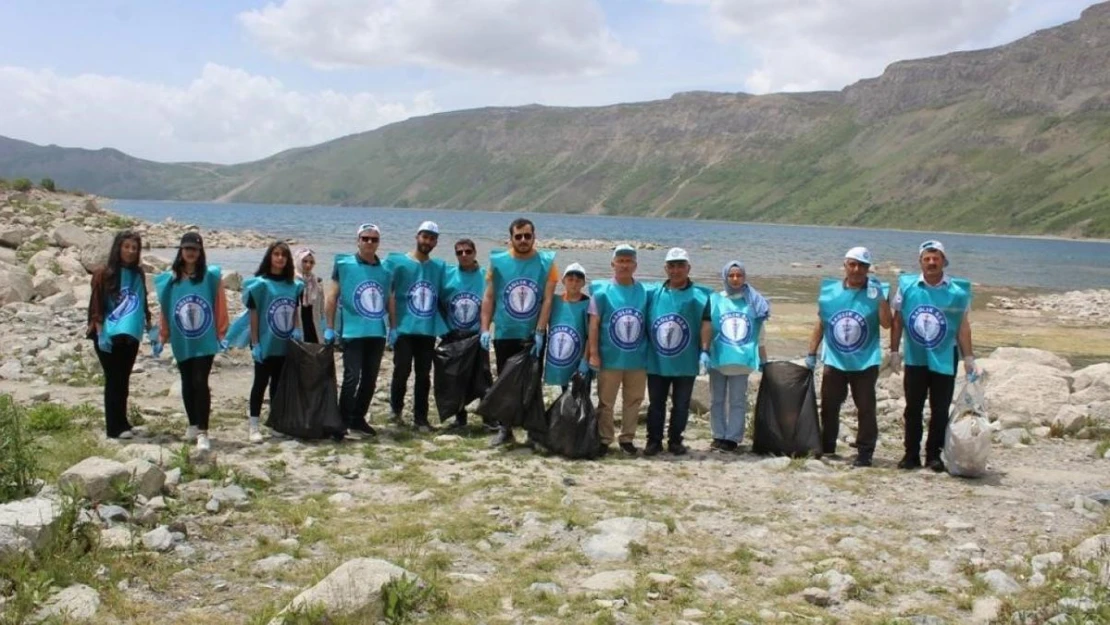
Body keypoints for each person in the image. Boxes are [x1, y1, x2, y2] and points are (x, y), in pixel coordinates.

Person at [890, 240, 981, 472]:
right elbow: (898, 319)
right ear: (920, 261)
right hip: (915, 356)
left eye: (936, 258)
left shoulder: (957, 292)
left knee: (940, 408)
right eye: (927, 259)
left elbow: (962, 326)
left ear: (943, 261)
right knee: (913, 407)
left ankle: (933, 455)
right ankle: (910, 454)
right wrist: (893, 351)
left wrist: (968, 357)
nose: (931, 263)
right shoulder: (908, 286)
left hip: (944, 356)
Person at [806, 247, 891, 467]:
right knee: (829, 405)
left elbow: (887, 323)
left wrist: (881, 298)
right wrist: (811, 352)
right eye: (852, 264)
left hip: (865, 361)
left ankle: (865, 451)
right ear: (845, 266)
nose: (856, 269)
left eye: (862, 265)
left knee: (865, 407)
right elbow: (821, 323)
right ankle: (827, 446)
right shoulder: (830, 292)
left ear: (868, 269)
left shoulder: (875, 291)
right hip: (835, 359)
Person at [479, 218, 558, 447]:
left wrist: (541, 331)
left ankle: (534, 433)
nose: (523, 240)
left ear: (534, 236)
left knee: (532, 383)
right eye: (518, 236)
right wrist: (485, 328)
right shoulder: (499, 261)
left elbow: (548, 299)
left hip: (531, 335)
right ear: (511, 238)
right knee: (505, 382)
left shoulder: (547, 262)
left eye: (527, 236)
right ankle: (505, 429)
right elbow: (489, 297)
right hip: (504, 332)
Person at [156, 232, 229, 451]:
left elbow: (220, 305)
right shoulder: (171, 280)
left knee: (200, 381)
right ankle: (192, 423)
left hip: (205, 339)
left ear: (200, 252)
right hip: (182, 338)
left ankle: (203, 432)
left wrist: (222, 332)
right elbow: (165, 308)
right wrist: (163, 334)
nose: (190, 252)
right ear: (181, 251)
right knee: (187, 381)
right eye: (187, 249)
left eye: (194, 249)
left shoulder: (210, 277)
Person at [325, 223, 392, 439]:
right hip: (352, 332)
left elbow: (389, 299)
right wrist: (329, 327)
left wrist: (394, 327)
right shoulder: (344, 264)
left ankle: (358, 418)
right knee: (352, 377)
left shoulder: (385, 270)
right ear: (358, 240)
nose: (369, 242)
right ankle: (341, 422)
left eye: (374, 239)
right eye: (365, 238)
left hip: (377, 333)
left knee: (370, 378)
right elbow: (332, 296)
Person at [644, 248, 711, 456]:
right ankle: (653, 441)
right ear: (666, 268)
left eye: (680, 265)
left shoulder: (701, 296)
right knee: (656, 403)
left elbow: (706, 323)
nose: (676, 270)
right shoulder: (653, 293)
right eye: (671, 266)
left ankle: (675, 440)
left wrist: (705, 351)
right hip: (657, 360)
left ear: (688, 268)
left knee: (681, 404)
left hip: (686, 360)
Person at [86, 230, 152, 440]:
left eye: (134, 248)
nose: (131, 252)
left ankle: (123, 422)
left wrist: (150, 325)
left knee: (123, 380)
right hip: (107, 334)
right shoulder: (104, 273)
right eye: (127, 247)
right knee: (113, 379)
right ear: (118, 248)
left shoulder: (138, 273)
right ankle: (113, 427)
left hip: (129, 335)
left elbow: (142, 300)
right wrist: (99, 331)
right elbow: (95, 305)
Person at [588, 244, 649, 456]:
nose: (624, 265)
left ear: (635, 265)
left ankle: (627, 438)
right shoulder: (602, 292)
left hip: (637, 358)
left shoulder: (645, 292)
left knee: (634, 400)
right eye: (620, 261)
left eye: (628, 261)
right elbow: (594, 324)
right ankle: (605, 438)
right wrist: (594, 353)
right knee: (606, 402)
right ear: (613, 264)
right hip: (609, 357)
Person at [387, 221, 448, 432]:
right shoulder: (398, 263)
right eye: (425, 236)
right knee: (401, 371)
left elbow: (447, 293)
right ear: (417, 237)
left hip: (427, 330)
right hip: (404, 329)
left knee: (424, 375)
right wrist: (391, 326)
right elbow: (389, 294)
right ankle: (395, 410)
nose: (427, 241)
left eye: (432, 238)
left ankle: (421, 418)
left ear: (436, 242)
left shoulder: (438, 267)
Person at [704, 261, 769, 452]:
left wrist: (764, 360)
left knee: (737, 400)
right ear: (725, 277)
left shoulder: (753, 301)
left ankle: (732, 438)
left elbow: (760, 335)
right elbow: (708, 327)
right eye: (731, 275)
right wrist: (704, 351)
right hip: (719, 359)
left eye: (739, 275)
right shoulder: (715, 299)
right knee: (716, 399)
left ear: (744, 277)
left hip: (741, 361)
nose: (735, 279)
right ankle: (717, 434)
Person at [245, 241, 304, 444]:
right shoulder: (259, 284)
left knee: (278, 385)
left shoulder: (294, 285)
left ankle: (275, 423)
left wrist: (297, 330)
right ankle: (253, 425)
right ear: (270, 256)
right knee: (260, 383)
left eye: (284, 255)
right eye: (276, 254)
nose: (280, 258)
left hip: (284, 343)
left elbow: (294, 310)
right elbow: (253, 315)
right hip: (265, 342)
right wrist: (255, 343)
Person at [438, 237, 486, 430]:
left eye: (468, 251)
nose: (464, 255)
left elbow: (493, 302)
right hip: (454, 334)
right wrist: (444, 328)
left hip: (477, 335)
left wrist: (486, 329)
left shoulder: (486, 275)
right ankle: (459, 416)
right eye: (459, 252)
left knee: (483, 378)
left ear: (475, 252)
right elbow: (438, 301)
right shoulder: (449, 275)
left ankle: (489, 418)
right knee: (454, 378)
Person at [544, 263, 591, 391]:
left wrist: (585, 360)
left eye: (578, 280)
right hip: (557, 361)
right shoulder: (554, 301)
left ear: (583, 283)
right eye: (570, 280)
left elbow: (591, 336)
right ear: (563, 281)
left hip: (578, 360)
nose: (574, 284)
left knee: (579, 397)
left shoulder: (588, 305)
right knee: (559, 395)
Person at [295, 247, 325, 343]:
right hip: (297, 327)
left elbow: (321, 309)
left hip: (314, 328)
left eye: (311, 262)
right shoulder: (291, 282)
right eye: (304, 261)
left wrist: (325, 325)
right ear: (298, 261)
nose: (308, 265)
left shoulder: (316, 282)